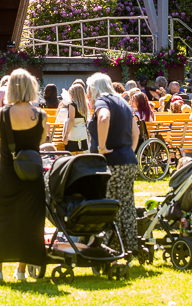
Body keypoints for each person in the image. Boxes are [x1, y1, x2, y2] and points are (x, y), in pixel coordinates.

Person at [0, 70, 47, 282]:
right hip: (32, 177)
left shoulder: (3, 114)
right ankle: (21, 271)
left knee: (1, 219)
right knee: (30, 222)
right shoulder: (40, 115)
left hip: (8, 175)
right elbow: (41, 141)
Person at [86, 72, 139, 258]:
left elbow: (103, 119)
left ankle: (108, 247)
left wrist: (102, 147)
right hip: (127, 161)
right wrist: (129, 150)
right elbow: (136, 131)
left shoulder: (103, 102)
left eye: (88, 90)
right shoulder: (123, 102)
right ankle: (130, 246)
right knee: (126, 206)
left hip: (110, 164)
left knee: (108, 207)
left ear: (93, 89)